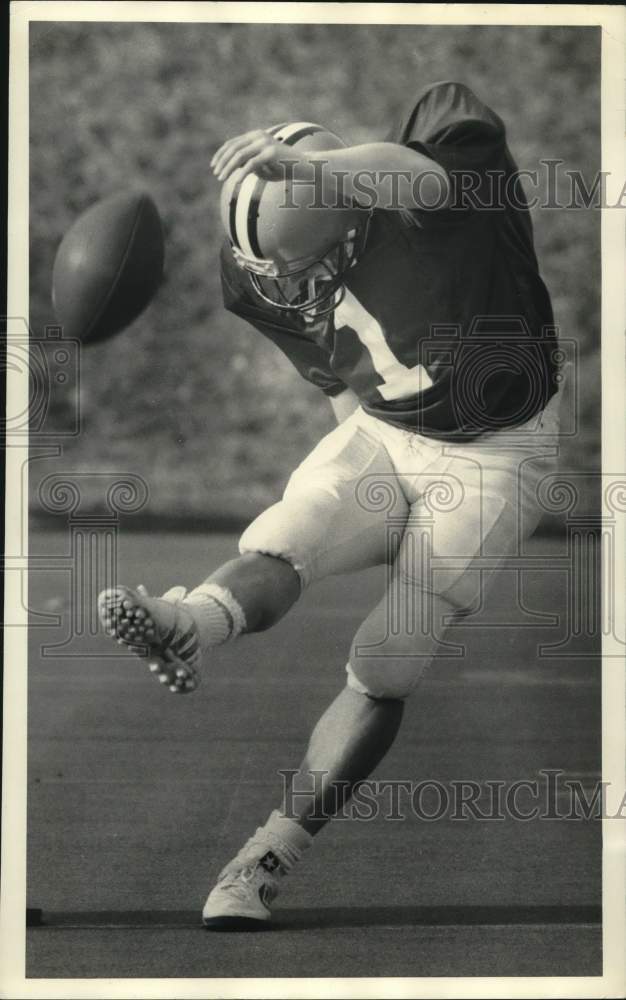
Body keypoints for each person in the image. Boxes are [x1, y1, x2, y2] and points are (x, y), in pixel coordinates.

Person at [98, 81, 561, 929]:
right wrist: (351, 497)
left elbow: (413, 172)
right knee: (288, 532)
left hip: (498, 449)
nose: (296, 284)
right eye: (280, 269)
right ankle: (188, 625)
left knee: (390, 657)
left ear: (354, 213)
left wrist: (314, 168)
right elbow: (338, 378)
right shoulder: (260, 274)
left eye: (314, 262)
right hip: (384, 429)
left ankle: (268, 853)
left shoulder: (434, 189)